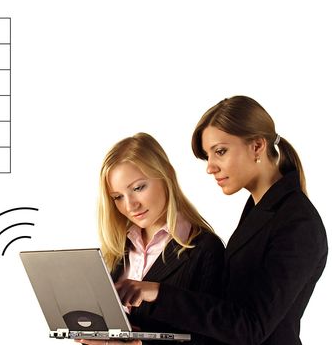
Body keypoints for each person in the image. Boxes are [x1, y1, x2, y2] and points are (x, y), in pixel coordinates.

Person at [114, 96, 328, 345]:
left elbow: (250, 327)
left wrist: (158, 292)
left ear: (257, 146)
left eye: (220, 151)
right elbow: (222, 317)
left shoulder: (296, 222)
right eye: (208, 156)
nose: (210, 167)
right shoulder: (260, 210)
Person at [76, 133, 225, 345]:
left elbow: (213, 339)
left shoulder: (205, 249)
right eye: (118, 197)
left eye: (138, 188)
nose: (130, 205)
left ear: (166, 176)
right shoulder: (118, 251)